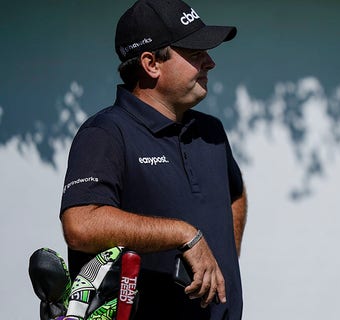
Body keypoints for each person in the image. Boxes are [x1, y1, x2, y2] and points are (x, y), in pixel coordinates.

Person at [60, 0, 247, 319]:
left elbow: (235, 195)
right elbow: (80, 223)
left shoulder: (211, 131)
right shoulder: (105, 132)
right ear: (151, 64)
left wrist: (223, 264)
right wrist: (183, 234)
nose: (210, 62)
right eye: (195, 53)